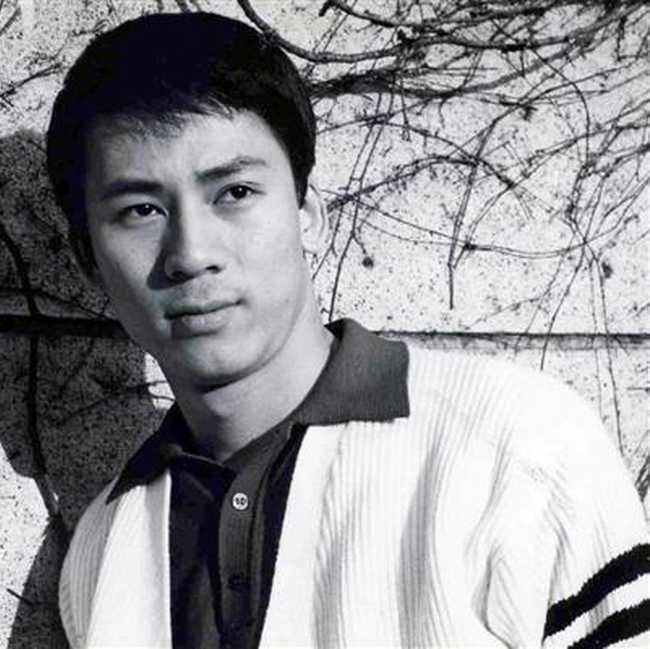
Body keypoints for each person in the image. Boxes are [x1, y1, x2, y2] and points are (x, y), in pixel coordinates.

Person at [45, 11, 650, 649]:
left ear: (308, 214)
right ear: (89, 259)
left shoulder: (518, 443)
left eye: (235, 192)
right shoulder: (101, 549)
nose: (191, 254)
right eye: (141, 210)